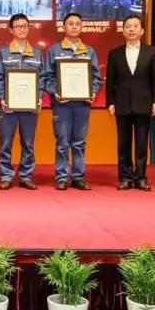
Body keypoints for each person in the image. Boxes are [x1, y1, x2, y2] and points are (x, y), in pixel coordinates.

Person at [45, 13, 102, 190]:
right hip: (61, 104)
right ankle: (61, 177)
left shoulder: (89, 51)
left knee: (79, 142)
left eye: (78, 24)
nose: (75, 26)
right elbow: (48, 77)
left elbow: (96, 77)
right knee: (62, 142)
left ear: (81, 27)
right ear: (64, 27)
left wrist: (92, 92)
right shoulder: (54, 50)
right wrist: (55, 92)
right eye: (71, 24)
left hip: (82, 104)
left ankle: (78, 177)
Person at [106, 15, 155, 191]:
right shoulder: (115, 53)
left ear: (142, 30)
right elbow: (110, 81)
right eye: (128, 26)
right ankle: (125, 177)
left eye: (135, 26)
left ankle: (141, 177)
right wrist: (110, 103)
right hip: (121, 104)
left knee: (142, 143)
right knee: (123, 143)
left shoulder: (152, 52)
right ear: (123, 31)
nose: (131, 29)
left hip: (144, 104)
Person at [0, 13, 45, 190]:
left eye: (24, 26)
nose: (22, 29)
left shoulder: (37, 53)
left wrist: (39, 97)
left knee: (28, 144)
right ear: (11, 30)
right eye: (18, 27)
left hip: (29, 107)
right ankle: (6, 176)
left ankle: (25, 176)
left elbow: (42, 78)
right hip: (8, 106)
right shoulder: (3, 52)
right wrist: (2, 98)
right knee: (5, 144)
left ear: (28, 28)